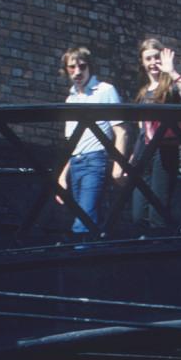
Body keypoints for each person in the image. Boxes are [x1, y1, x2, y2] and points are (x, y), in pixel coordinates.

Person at [126, 37, 181, 227]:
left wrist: (172, 72)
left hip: (164, 153)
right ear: (142, 63)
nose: (153, 63)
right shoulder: (143, 93)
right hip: (144, 155)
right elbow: (142, 130)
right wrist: (133, 158)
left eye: (156, 57)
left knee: (158, 213)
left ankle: (159, 251)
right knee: (137, 215)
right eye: (148, 59)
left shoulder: (171, 87)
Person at [56, 46, 128, 235]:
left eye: (82, 66)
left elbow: (121, 131)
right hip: (76, 163)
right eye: (72, 67)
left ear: (90, 67)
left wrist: (119, 165)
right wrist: (62, 176)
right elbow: (72, 145)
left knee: (84, 220)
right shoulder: (70, 100)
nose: (77, 71)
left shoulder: (105, 91)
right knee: (86, 216)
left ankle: (79, 259)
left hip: (96, 160)